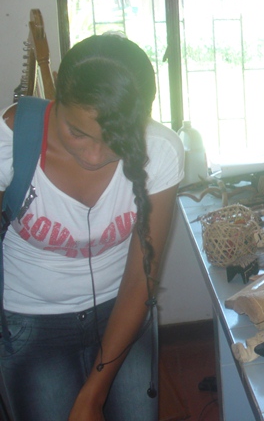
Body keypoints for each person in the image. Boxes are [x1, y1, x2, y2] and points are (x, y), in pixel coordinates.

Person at [0, 34, 184, 420]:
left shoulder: (160, 150)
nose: (95, 155)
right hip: (30, 323)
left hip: (122, 312)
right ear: (57, 97)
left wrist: (93, 395)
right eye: (78, 132)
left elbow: (140, 279)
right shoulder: (10, 143)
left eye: (116, 139)